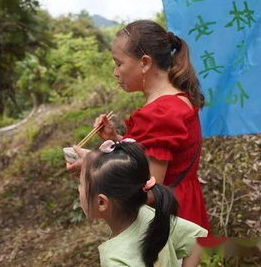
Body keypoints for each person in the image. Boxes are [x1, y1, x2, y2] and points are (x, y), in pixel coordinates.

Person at [68, 20, 210, 231]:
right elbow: (148, 155)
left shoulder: (160, 113)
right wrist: (116, 139)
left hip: (168, 222)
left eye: (118, 63)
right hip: (185, 206)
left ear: (144, 63)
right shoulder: (177, 99)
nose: (115, 72)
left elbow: (150, 191)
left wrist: (93, 165)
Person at [79, 139, 207, 267]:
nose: (79, 189)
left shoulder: (115, 259)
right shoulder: (151, 216)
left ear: (101, 203)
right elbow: (197, 239)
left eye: (81, 185)